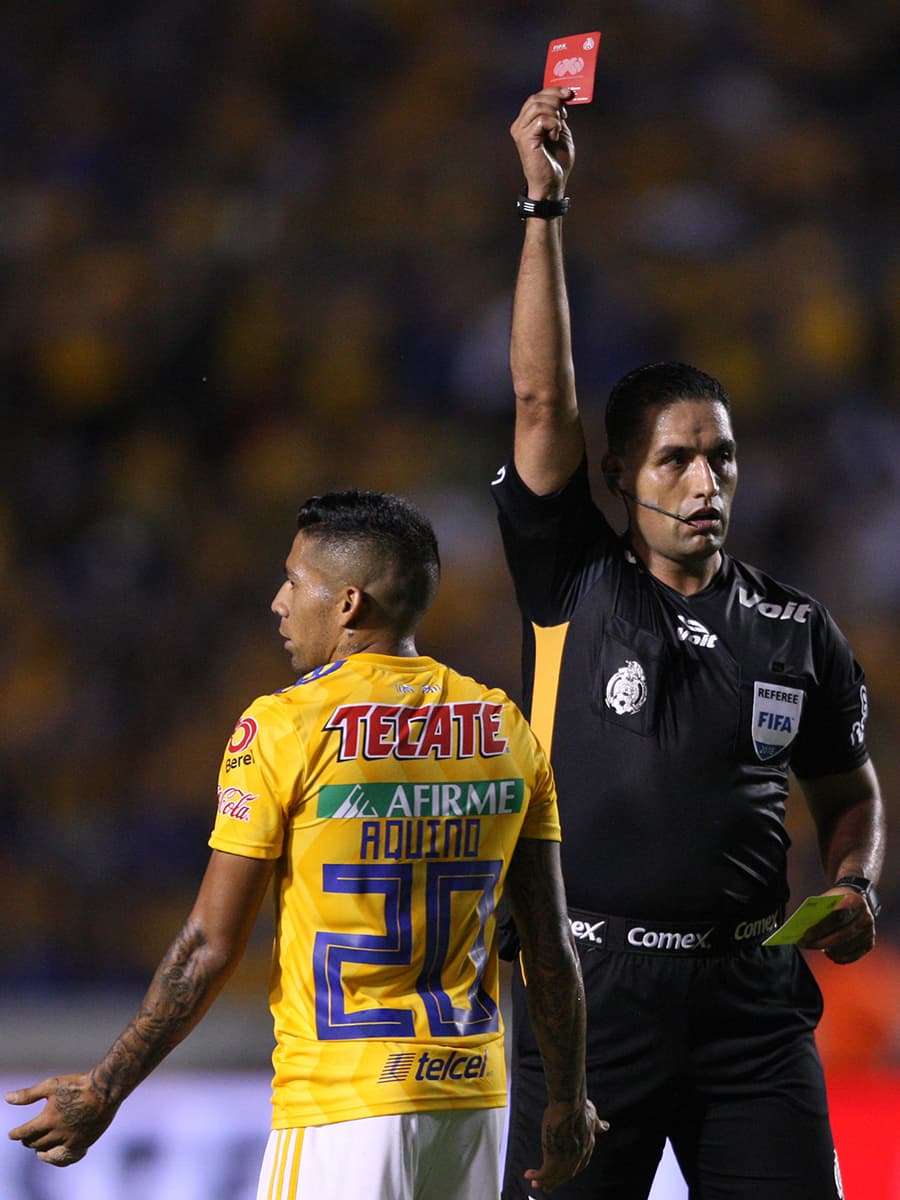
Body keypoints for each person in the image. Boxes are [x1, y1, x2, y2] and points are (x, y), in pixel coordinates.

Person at [492, 89, 887, 1200]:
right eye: (676, 460)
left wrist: (855, 880)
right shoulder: (572, 578)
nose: (705, 481)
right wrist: (543, 207)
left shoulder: (797, 629)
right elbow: (541, 399)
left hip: (752, 1011)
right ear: (620, 476)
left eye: (721, 458)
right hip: (589, 997)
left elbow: (849, 788)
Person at [7, 489, 605, 1199]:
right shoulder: (505, 728)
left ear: (348, 603)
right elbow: (549, 942)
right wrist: (567, 1099)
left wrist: (105, 1088)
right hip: (470, 1104)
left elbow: (208, 946)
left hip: (339, 1107)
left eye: (294, 581)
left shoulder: (286, 726)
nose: (278, 603)